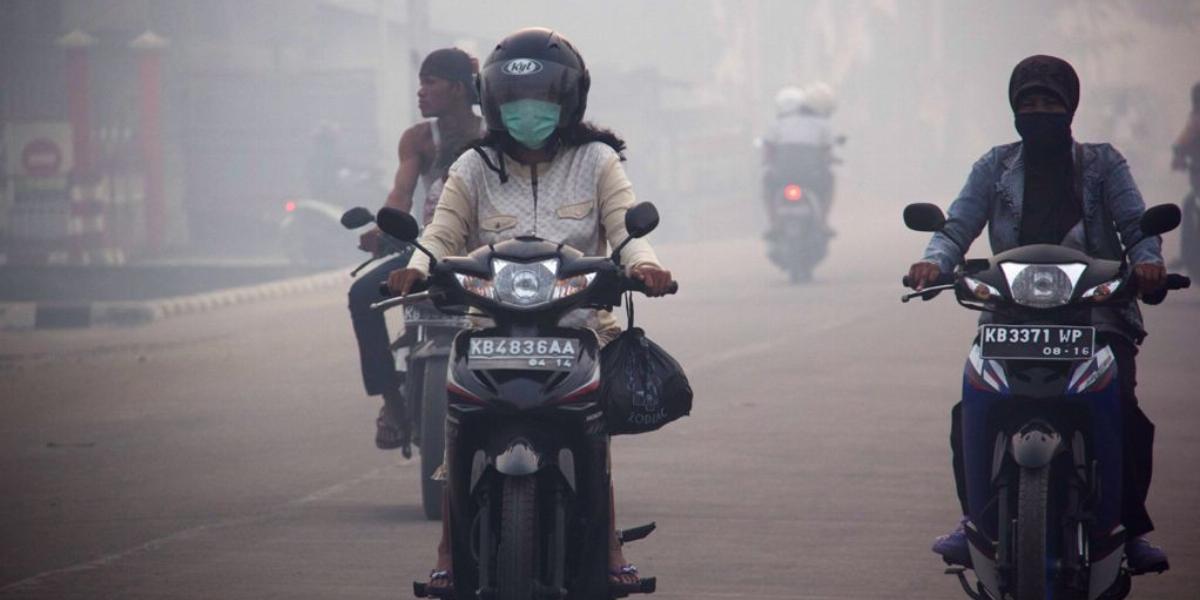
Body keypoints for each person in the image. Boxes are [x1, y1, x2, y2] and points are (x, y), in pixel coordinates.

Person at [384, 27, 674, 593]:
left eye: (541, 100)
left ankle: (609, 545)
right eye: (515, 101)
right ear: (494, 103)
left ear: (568, 100)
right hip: (487, 325)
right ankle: (447, 550)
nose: (528, 112)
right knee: (457, 427)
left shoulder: (597, 160)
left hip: (581, 325)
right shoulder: (473, 165)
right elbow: (442, 230)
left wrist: (645, 266)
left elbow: (625, 226)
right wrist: (418, 264)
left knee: (595, 434)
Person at [906, 55, 1169, 573]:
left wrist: (1149, 265)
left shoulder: (1103, 164)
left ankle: (1128, 530)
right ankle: (975, 524)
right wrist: (933, 263)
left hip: (1096, 318)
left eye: (1050, 102)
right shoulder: (994, 166)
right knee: (970, 411)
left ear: (1070, 107)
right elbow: (957, 226)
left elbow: (1138, 227)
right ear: (1013, 109)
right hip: (1009, 320)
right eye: (1029, 103)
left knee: (1124, 412)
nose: (1039, 111)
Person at [348, 48, 483, 453]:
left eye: (430, 83)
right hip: (428, 249)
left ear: (458, 88)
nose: (421, 92)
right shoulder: (419, 138)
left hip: (483, 253)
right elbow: (402, 192)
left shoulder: (493, 135)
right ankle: (394, 402)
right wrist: (386, 226)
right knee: (361, 295)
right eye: (421, 82)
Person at [762, 82, 838, 230]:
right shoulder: (824, 125)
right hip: (811, 177)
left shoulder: (780, 122)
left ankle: (772, 223)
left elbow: (768, 150)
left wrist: (769, 163)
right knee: (830, 180)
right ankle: (823, 221)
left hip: (782, 175)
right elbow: (827, 154)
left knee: (766, 183)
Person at [1171, 82, 1200, 193]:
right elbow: (1182, 142)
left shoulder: (1196, 120)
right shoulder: (1195, 119)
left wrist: (1178, 154)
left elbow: (1182, 142)